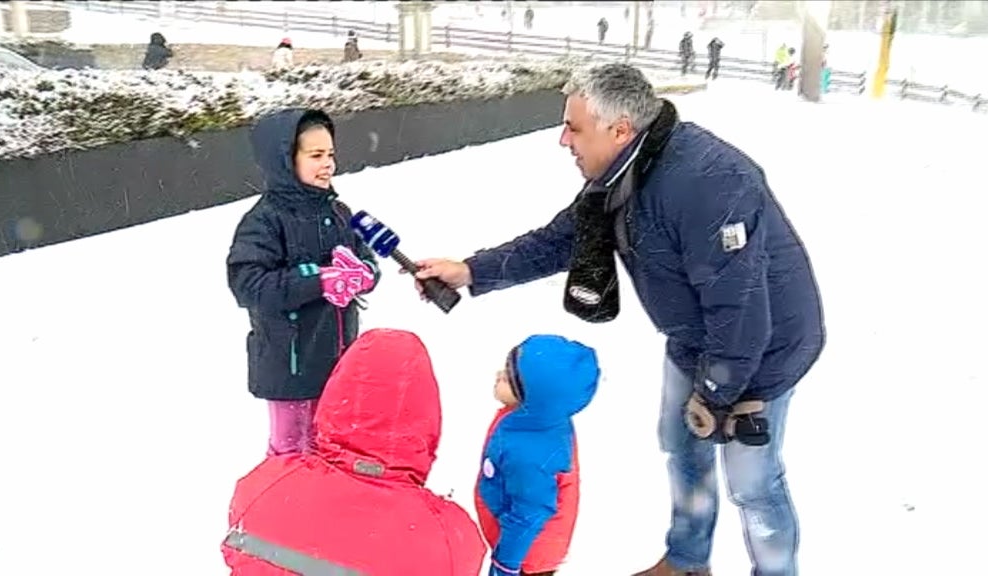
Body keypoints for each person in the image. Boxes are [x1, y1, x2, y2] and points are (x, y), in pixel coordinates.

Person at [413, 63, 825, 576]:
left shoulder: (709, 183)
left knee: (751, 480)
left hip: (763, 347)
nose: (563, 140)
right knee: (682, 446)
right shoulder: (621, 176)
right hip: (695, 336)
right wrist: (470, 271)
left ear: (620, 129)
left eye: (574, 127)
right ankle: (688, 560)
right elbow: (558, 242)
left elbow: (741, 309)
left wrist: (717, 394)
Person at [222, 328, 486, 575]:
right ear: (427, 419)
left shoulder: (264, 485)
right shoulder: (452, 539)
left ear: (333, 397)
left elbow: (236, 552)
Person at [227, 107, 380, 457]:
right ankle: (279, 508)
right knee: (291, 450)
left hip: (337, 359)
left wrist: (363, 275)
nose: (328, 164)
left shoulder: (339, 213)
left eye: (330, 155)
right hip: (290, 364)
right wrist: (319, 280)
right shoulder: (264, 220)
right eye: (315, 156)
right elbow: (248, 283)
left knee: (329, 446)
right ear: (286, 160)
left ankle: (323, 509)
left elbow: (368, 260)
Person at [475, 335, 600, 576]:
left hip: (526, 555)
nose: (498, 374)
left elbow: (529, 514)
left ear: (530, 398)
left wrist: (505, 566)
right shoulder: (537, 419)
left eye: (509, 378)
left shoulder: (531, 452)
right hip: (520, 538)